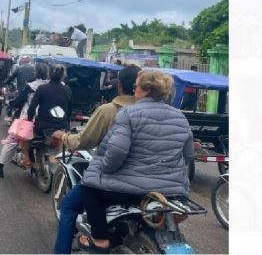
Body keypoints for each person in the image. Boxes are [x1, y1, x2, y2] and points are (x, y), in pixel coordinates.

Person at [77, 70, 193, 252]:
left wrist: (105, 169)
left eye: (136, 87)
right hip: (169, 192)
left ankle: (100, 240)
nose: (134, 91)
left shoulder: (128, 114)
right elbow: (187, 156)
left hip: (132, 191)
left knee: (90, 190)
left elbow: (115, 152)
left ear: (146, 90)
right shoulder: (180, 117)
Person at [51, 65, 140, 254]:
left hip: (114, 180)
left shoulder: (109, 111)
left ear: (119, 86)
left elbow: (85, 140)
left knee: (69, 205)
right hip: (149, 181)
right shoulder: (156, 113)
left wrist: (64, 137)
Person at [0, 62, 49, 178]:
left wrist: (8, 103)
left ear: (36, 72)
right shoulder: (50, 85)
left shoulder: (32, 86)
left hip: (29, 119)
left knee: (11, 141)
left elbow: (18, 102)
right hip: (46, 120)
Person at [19, 64, 72, 167]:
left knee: (23, 136)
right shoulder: (68, 90)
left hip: (42, 127)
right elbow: (69, 111)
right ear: (62, 76)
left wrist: (29, 121)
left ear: (49, 74)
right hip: (61, 127)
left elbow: (32, 108)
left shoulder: (42, 88)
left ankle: (26, 159)